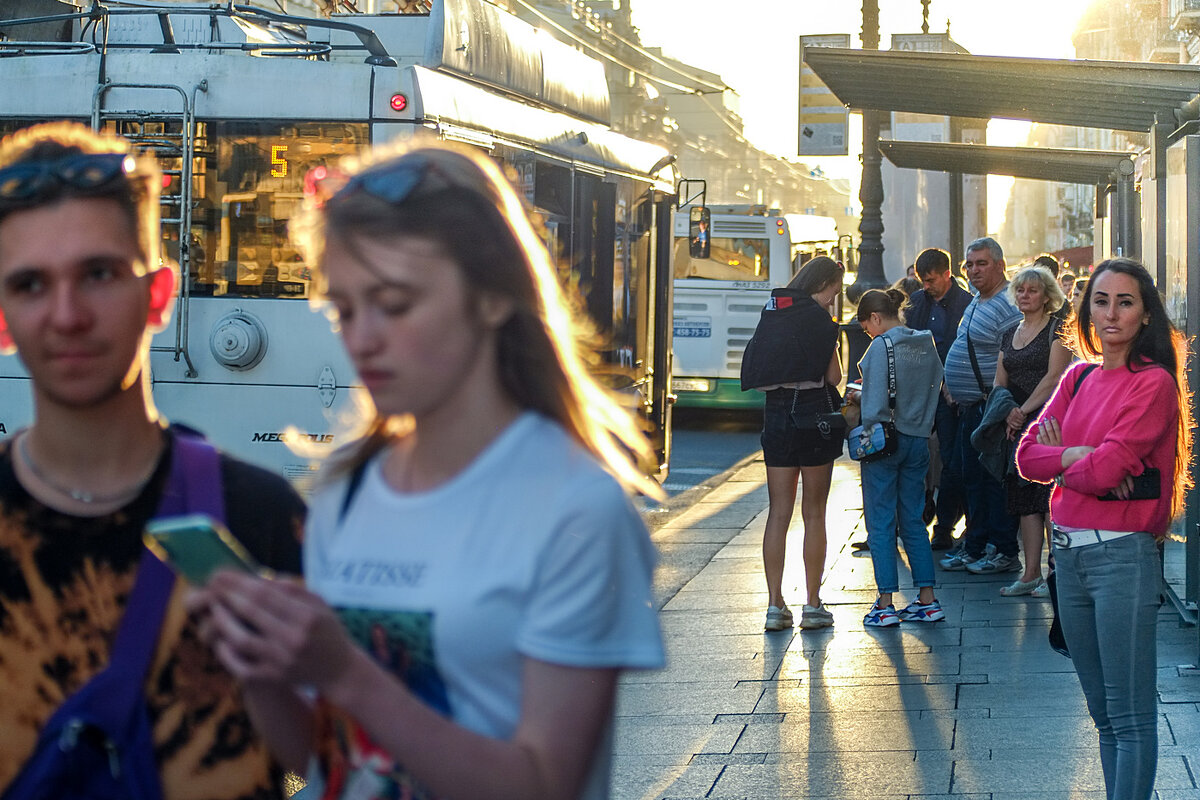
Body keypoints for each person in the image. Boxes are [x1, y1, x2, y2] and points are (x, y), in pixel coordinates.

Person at [188, 141, 665, 800]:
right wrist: (257, 667)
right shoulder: (344, 488)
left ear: (493, 298)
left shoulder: (575, 507)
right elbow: (331, 764)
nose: (362, 338)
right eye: (345, 309)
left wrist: (347, 673)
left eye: (395, 303)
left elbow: (544, 784)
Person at [0, 122, 304, 798]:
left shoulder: (263, 520)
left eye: (99, 274)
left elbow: (342, 761)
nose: (67, 314)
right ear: (1, 319)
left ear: (159, 297)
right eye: (29, 286)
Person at [1016, 257, 1192, 800]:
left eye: (1125, 302)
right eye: (1101, 300)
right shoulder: (1078, 375)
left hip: (1122, 561)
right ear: (1086, 308)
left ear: (1145, 315)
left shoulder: (1154, 384)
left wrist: (1068, 461)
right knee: (1103, 715)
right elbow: (1027, 456)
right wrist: (1077, 454)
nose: (1111, 313)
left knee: (1130, 714)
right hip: (1066, 559)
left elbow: (1111, 467)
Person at [740, 256, 844, 631]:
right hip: (814, 414)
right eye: (834, 292)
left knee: (778, 512)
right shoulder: (821, 322)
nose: (833, 300)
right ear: (824, 284)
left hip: (777, 414)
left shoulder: (773, 313)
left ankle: (774, 606)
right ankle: (813, 605)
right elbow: (834, 376)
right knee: (814, 511)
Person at [851, 289, 945, 627]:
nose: (869, 334)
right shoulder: (925, 343)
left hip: (886, 441)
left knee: (880, 522)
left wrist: (865, 419)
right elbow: (935, 383)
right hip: (919, 438)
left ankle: (886, 602)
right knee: (913, 521)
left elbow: (875, 404)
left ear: (875, 318)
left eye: (866, 327)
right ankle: (927, 600)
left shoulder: (881, 346)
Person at [939, 237, 1023, 574]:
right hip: (970, 406)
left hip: (991, 407)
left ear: (1000, 265)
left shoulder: (1006, 304)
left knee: (992, 480)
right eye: (970, 264)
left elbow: (1013, 357)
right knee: (970, 477)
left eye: (982, 263)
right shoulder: (978, 300)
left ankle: (1002, 549)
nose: (974, 270)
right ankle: (975, 545)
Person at [992, 266, 1072, 595]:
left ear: (1047, 296)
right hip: (1017, 422)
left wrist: (1022, 412)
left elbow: (1055, 377)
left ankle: (1057, 572)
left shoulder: (1059, 329)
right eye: (1021, 290)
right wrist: (1008, 411)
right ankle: (1030, 574)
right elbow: (1000, 379)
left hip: (1050, 420)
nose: (1025, 295)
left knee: (1049, 497)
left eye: (1033, 290)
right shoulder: (1009, 330)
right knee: (1024, 497)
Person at [905, 247, 973, 551]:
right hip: (920, 390)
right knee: (914, 457)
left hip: (949, 393)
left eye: (931, 280)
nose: (926, 286)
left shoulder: (965, 304)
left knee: (950, 459)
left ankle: (944, 526)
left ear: (947, 274)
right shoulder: (917, 302)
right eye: (923, 281)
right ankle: (919, 514)